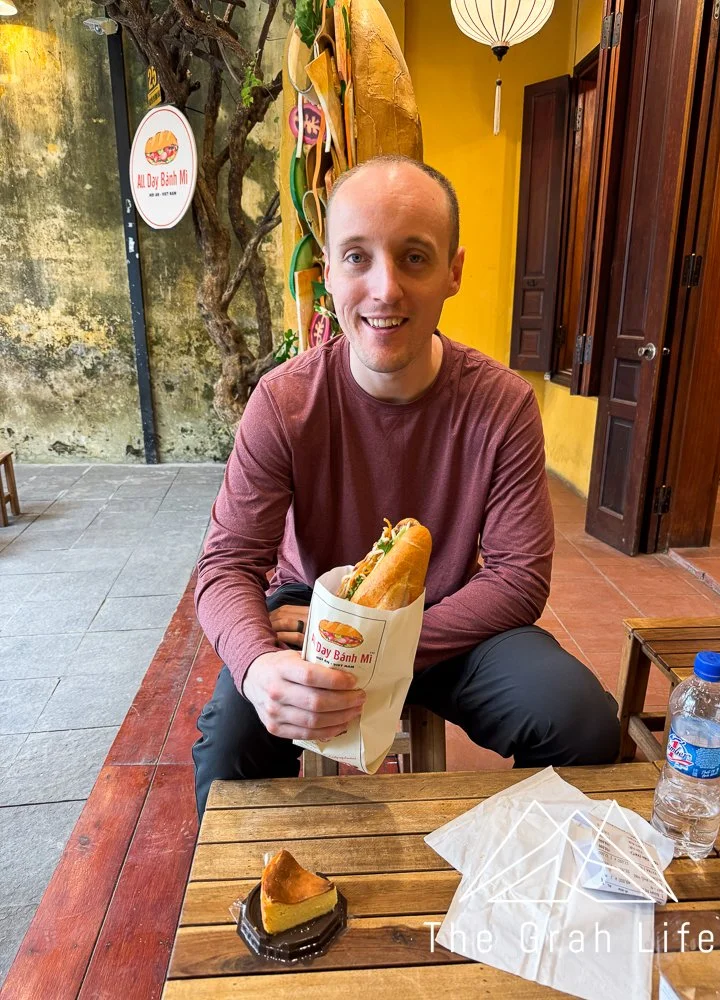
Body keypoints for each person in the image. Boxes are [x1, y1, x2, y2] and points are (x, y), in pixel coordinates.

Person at [192, 156, 620, 818]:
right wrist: (256, 668)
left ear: (454, 272)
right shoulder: (283, 403)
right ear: (328, 272)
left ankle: (510, 868)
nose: (385, 289)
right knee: (228, 749)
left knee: (581, 720)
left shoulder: (501, 404)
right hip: (314, 614)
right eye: (357, 257)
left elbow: (518, 577)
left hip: (446, 618)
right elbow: (226, 564)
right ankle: (270, 881)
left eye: (414, 257)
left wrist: (380, 646)